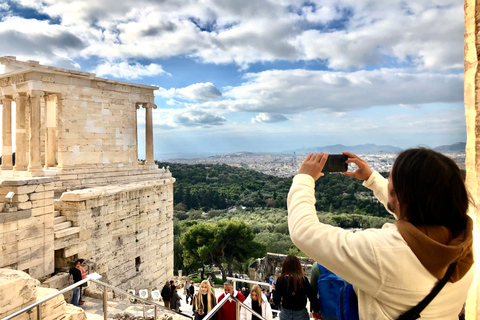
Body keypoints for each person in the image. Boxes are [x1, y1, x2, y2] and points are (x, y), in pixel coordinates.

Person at [288, 150, 475, 319]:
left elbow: (304, 231)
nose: (387, 182)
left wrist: (304, 179)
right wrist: (371, 178)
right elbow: (416, 213)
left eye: (390, 179)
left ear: (402, 196)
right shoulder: (464, 246)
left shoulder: (382, 253)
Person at [271, 255, 320, 320]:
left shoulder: (281, 280)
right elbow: (311, 296)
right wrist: (316, 310)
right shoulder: (303, 280)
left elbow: (276, 301)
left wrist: (273, 290)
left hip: (285, 313)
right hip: (300, 313)